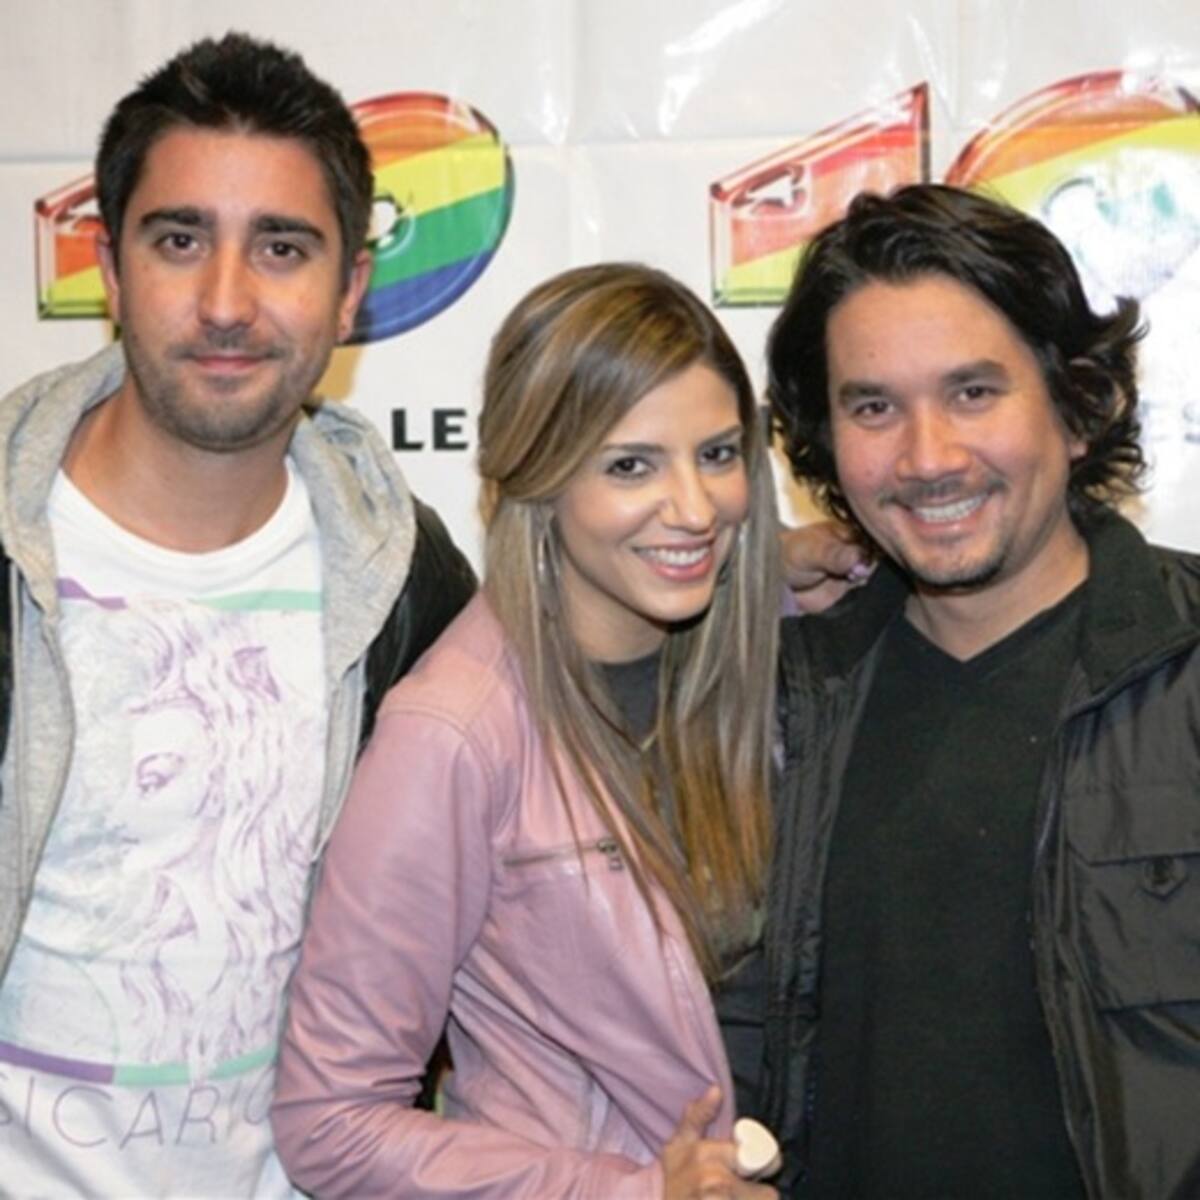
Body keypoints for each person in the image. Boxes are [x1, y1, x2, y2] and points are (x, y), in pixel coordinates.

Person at [0, 33, 475, 1197]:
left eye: (281, 247)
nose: (225, 302)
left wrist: (771, 574)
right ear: (109, 270)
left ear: (351, 290)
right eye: (179, 240)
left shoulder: (406, 578)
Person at [271, 262, 784, 1198]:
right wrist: (631, 1194)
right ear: (538, 478)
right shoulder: (452, 735)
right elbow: (330, 1124)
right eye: (630, 466)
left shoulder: (765, 674)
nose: (695, 508)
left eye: (716, 454)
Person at [750, 182, 1200, 1198]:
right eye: (874, 407)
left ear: (1076, 408)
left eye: (972, 393)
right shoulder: (782, 702)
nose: (928, 458)